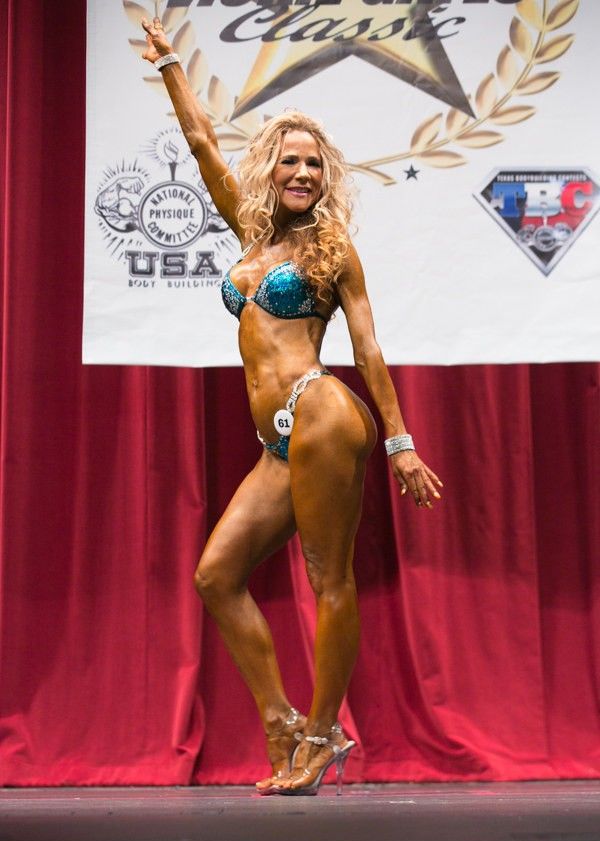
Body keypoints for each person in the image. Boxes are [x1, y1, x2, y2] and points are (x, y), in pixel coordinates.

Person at [141, 17, 443, 796]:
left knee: (327, 578)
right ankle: (281, 719)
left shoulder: (331, 249)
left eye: (314, 163)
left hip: (322, 410)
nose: (302, 172)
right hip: (279, 439)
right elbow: (202, 144)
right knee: (216, 576)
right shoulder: (250, 233)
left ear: (325, 177)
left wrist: (401, 442)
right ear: (271, 169)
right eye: (290, 160)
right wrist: (171, 65)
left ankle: (321, 735)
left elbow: (368, 349)